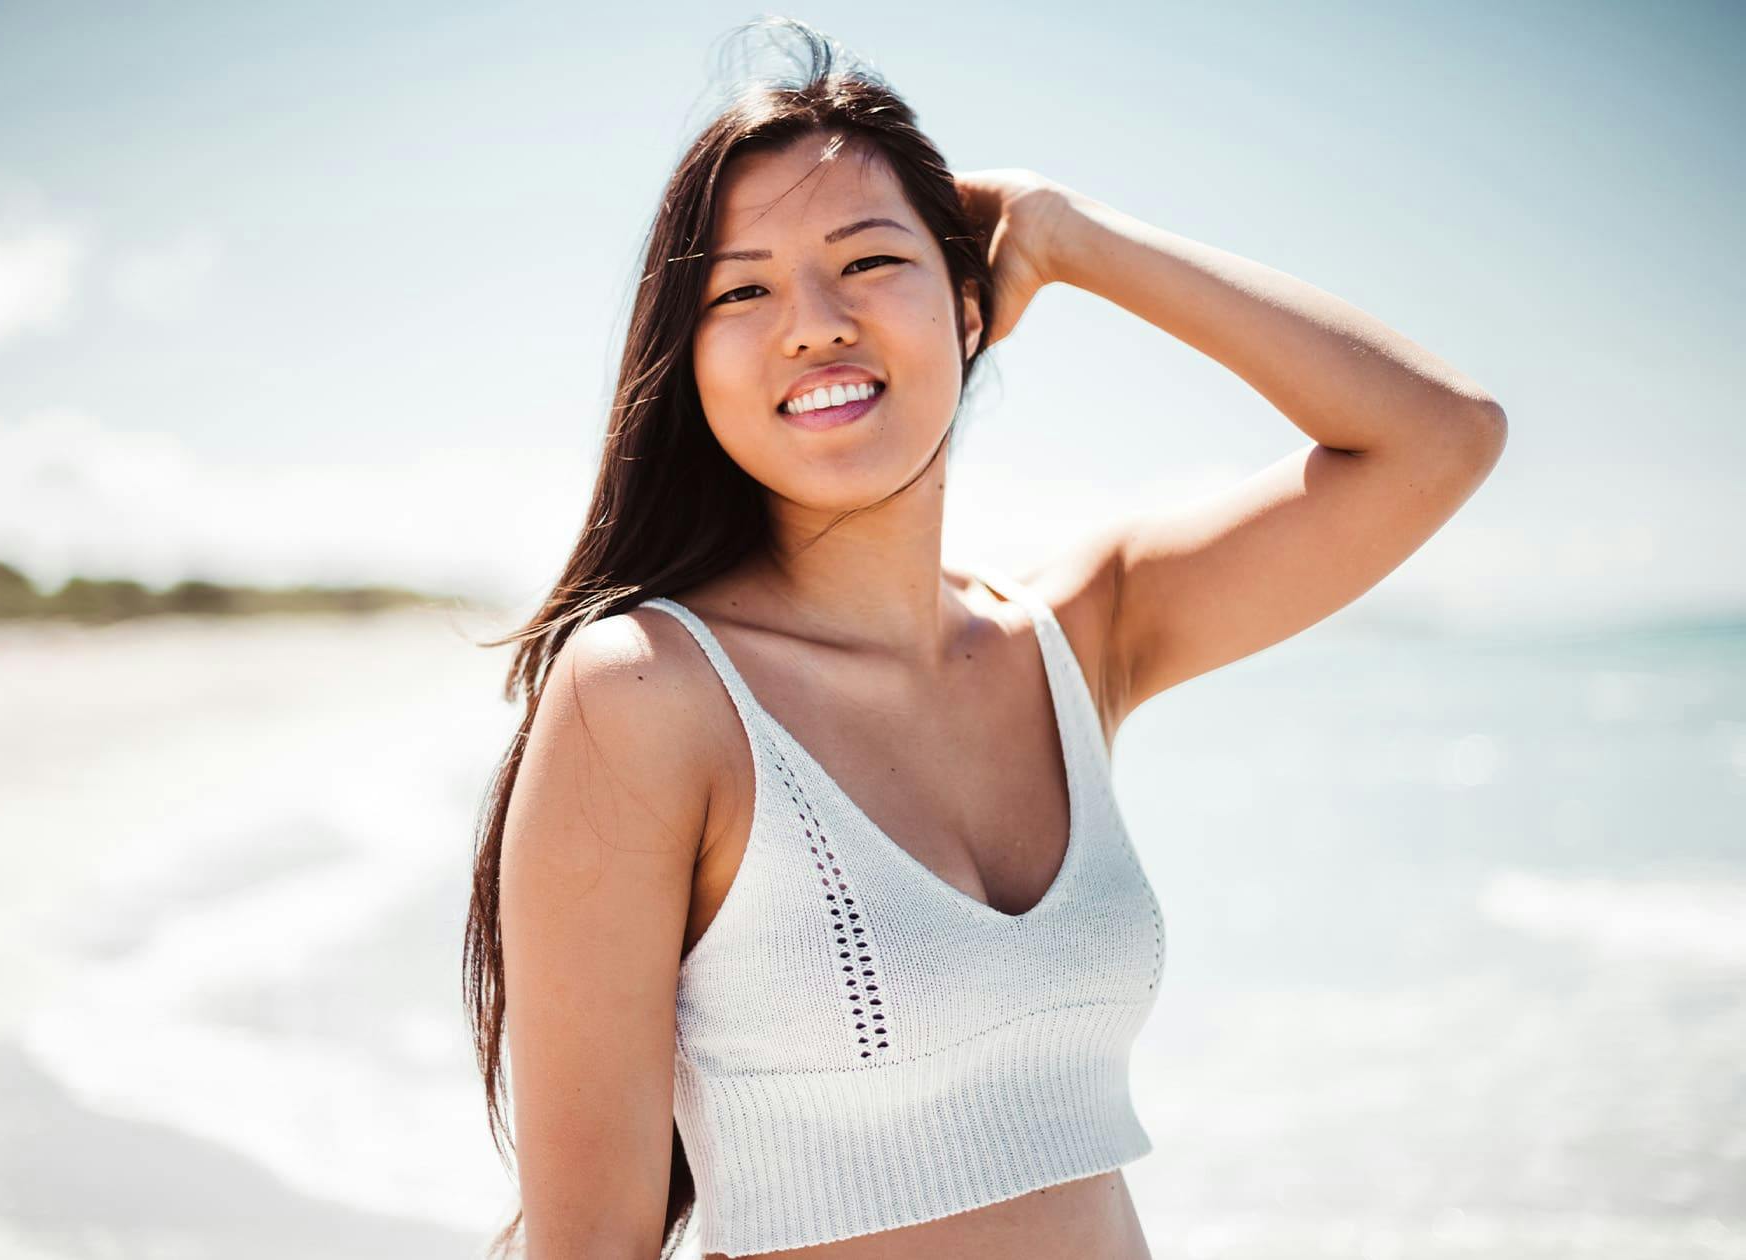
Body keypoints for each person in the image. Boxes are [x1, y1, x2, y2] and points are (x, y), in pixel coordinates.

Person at [465, 17, 1507, 1260]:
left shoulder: (1077, 635)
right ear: (687, 363)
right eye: (740, 288)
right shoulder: (645, 695)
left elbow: (1438, 436)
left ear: (968, 309)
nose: (811, 322)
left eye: (867, 262)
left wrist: (1067, 236)